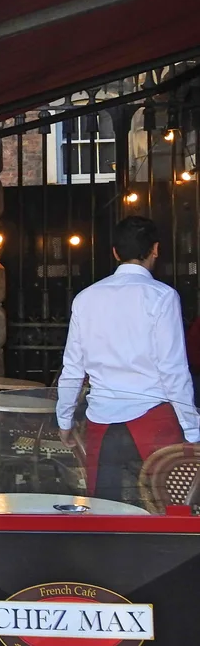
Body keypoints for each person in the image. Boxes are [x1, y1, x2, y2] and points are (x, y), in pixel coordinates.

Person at [57, 216, 200, 503]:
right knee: (166, 509)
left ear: (115, 252)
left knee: (104, 510)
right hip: (154, 418)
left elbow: (72, 368)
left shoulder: (85, 298)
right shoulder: (162, 297)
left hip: (102, 420)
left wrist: (64, 419)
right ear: (156, 249)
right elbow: (172, 370)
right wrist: (193, 428)